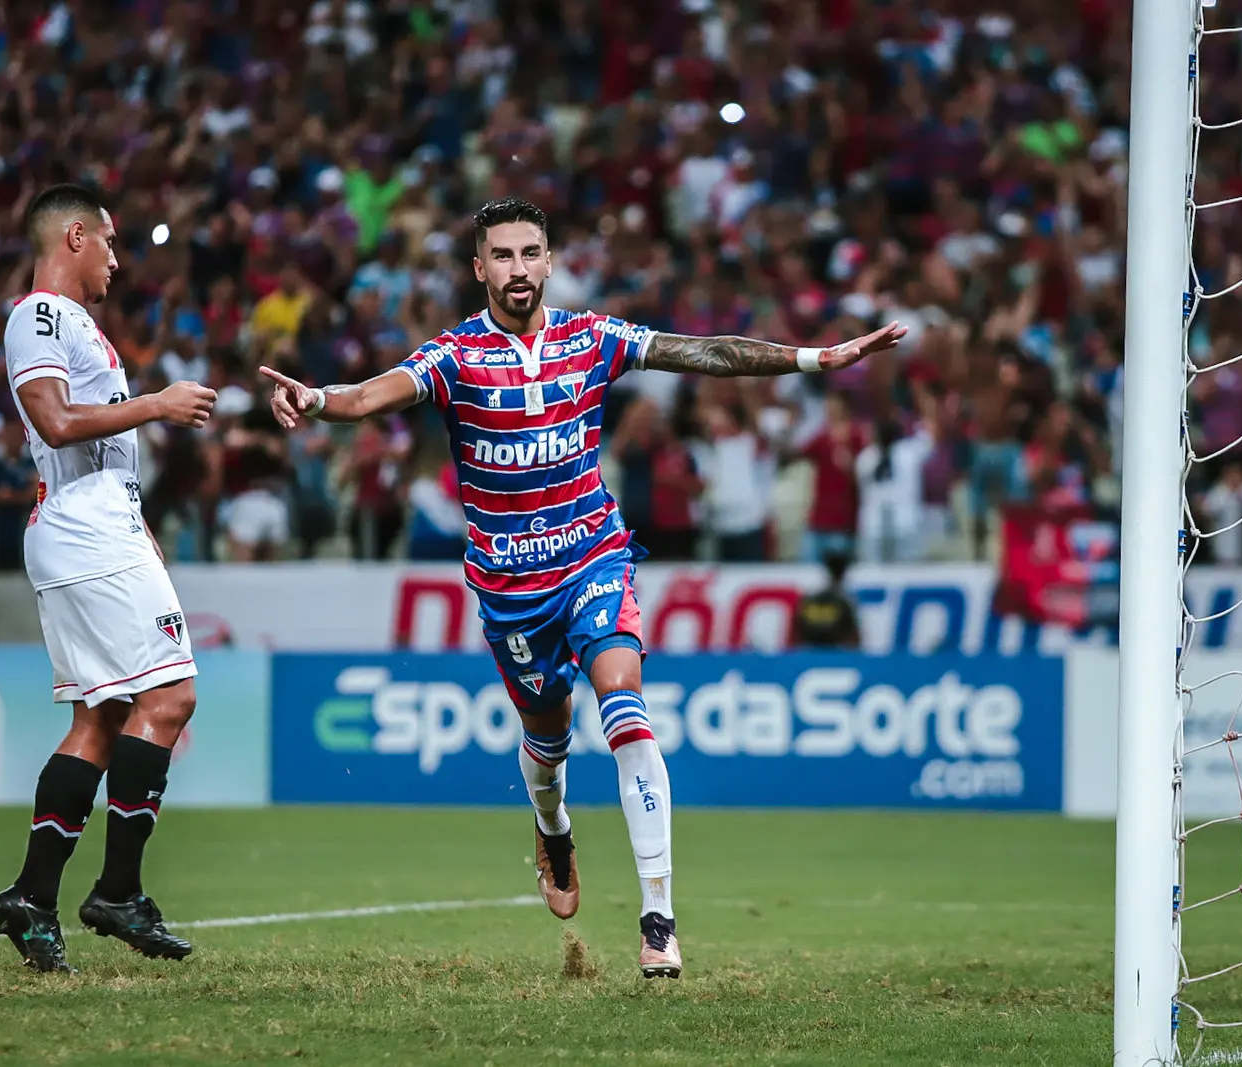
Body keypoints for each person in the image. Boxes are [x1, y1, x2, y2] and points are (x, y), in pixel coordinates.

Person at [260, 198, 906, 978]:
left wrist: (813, 359)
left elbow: (705, 353)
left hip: (594, 557)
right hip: (511, 587)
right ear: (479, 267)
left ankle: (659, 919)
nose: (518, 268)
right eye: (502, 255)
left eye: (531, 252)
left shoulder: (592, 337)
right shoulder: (455, 356)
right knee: (549, 737)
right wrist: (316, 399)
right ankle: (553, 826)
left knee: (624, 703)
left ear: (550, 261)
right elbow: (367, 397)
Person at [0, 184, 218, 973]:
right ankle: (118, 890)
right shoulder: (39, 316)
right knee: (172, 696)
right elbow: (54, 421)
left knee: (102, 716)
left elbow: (91, 447)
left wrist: (139, 521)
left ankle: (32, 895)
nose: (117, 260)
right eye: (111, 243)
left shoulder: (77, 325)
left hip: (97, 526)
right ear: (75, 237)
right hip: (87, 532)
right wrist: (156, 403)